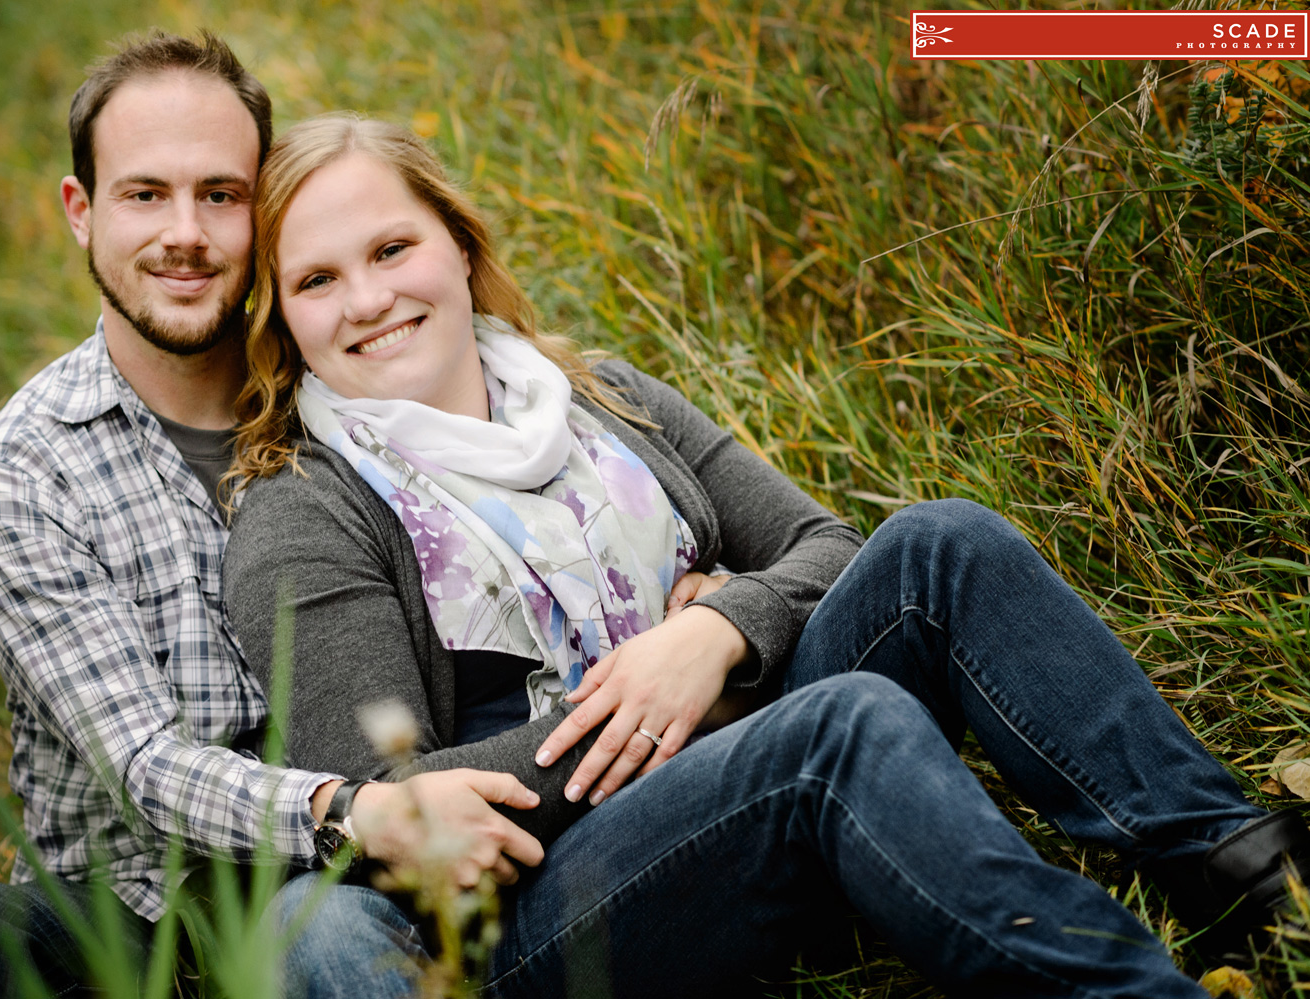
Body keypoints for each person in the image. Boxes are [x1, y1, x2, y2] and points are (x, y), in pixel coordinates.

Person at [221, 111, 1310, 998]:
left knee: (943, 543)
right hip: (552, 907)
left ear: (458, 246)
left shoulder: (600, 396)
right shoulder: (306, 504)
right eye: (316, 281)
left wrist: (721, 628)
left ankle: (1255, 877)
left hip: (732, 772)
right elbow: (376, 803)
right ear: (281, 319)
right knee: (837, 727)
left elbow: (824, 545)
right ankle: (1123, 992)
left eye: (391, 248)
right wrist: (705, 697)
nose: (367, 299)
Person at [0, 34, 524, 999]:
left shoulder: (358, 370)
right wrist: (350, 808)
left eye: (220, 195)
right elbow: (142, 762)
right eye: (145, 194)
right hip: (132, 916)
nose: (186, 231)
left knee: (325, 935)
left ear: (259, 213)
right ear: (80, 210)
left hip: (351, 889)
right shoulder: (16, 478)